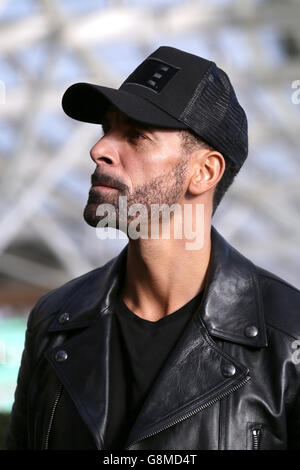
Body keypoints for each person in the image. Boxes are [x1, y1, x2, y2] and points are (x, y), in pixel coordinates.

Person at [6, 46, 300, 450]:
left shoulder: (289, 340)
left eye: (136, 135)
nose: (100, 150)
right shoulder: (55, 321)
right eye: (106, 129)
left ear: (204, 172)